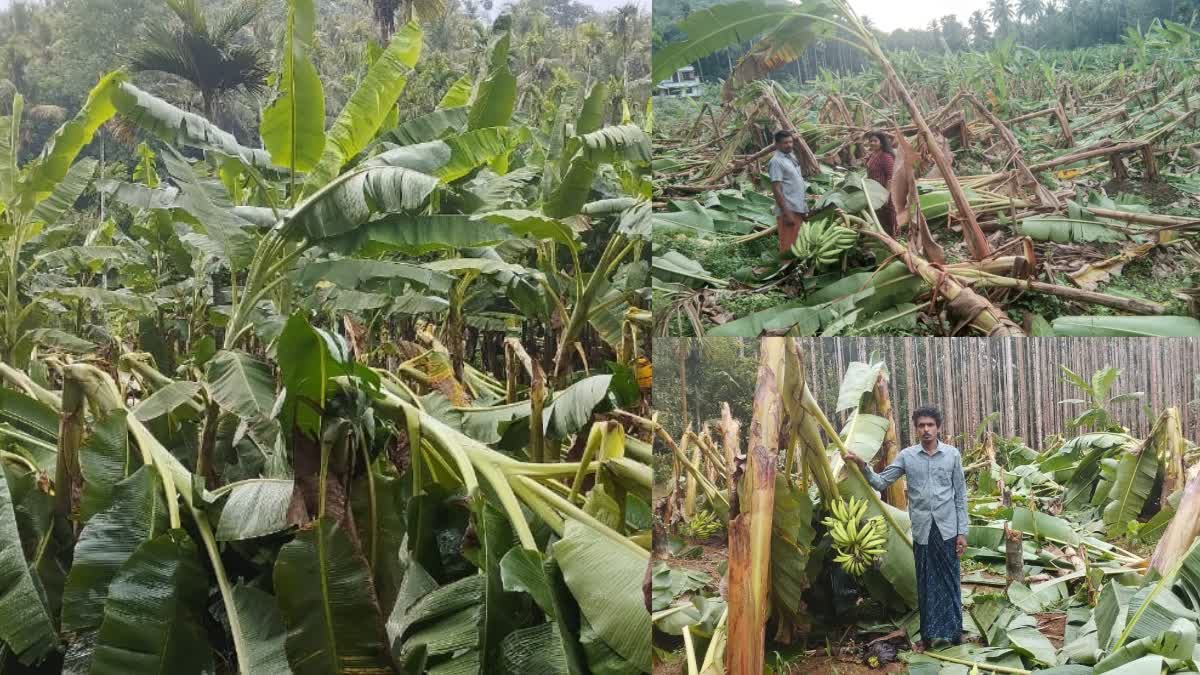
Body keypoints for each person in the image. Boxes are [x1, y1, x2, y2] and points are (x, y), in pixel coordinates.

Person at [841, 405, 967, 653]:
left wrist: (963, 531)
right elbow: (881, 481)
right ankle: (928, 637)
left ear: (938, 427)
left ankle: (954, 633)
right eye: (921, 425)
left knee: (950, 582)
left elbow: (960, 496)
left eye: (930, 424)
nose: (926, 429)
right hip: (921, 530)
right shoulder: (907, 457)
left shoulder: (952, 455)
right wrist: (861, 463)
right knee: (925, 584)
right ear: (916, 429)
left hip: (948, 529)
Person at [768, 130, 809, 254]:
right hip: (789, 209)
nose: (789, 145)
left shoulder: (790, 157)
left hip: (798, 208)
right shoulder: (776, 162)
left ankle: (795, 269)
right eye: (785, 143)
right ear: (777, 144)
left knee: (798, 243)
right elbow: (776, 188)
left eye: (791, 142)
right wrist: (786, 212)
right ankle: (785, 270)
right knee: (788, 246)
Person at [865, 130, 897, 236]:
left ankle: (893, 237)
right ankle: (881, 237)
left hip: (885, 191)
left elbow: (891, 177)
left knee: (888, 215)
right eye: (871, 141)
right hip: (875, 191)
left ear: (882, 142)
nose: (872, 143)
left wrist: (887, 195)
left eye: (875, 141)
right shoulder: (872, 155)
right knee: (878, 216)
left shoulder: (886, 157)